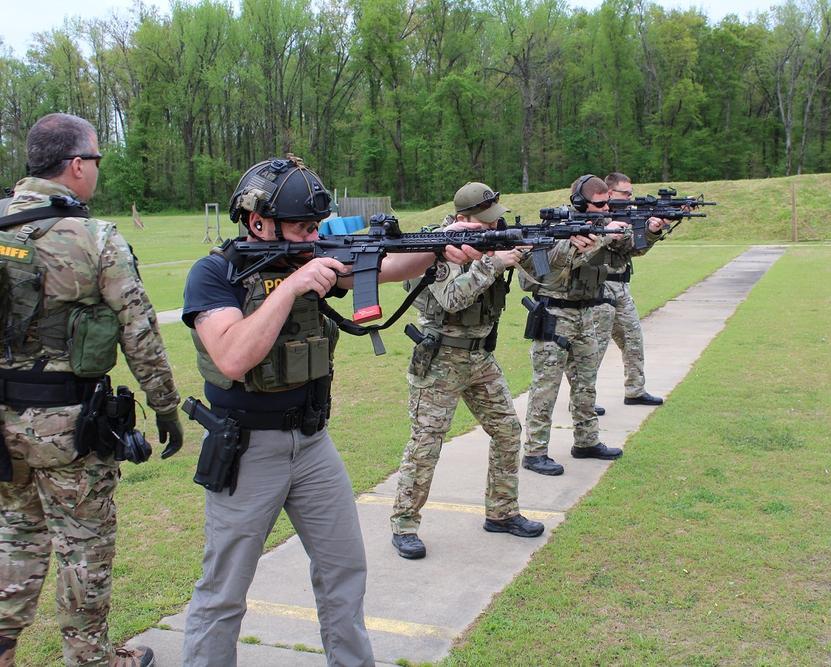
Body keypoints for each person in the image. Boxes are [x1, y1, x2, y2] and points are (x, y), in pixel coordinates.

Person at [180, 156, 482, 666]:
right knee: (224, 591)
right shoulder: (215, 273)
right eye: (302, 227)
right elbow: (232, 356)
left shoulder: (312, 258)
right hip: (247, 448)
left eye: (317, 226)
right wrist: (295, 287)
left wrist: (436, 244)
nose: (313, 237)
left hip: (313, 444)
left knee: (344, 571)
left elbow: (387, 266)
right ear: (258, 223)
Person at [0, 113, 183, 667]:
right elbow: (141, 334)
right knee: (84, 547)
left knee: (15, 536)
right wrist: (166, 408)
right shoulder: (94, 237)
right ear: (77, 165)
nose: (97, 171)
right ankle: (93, 658)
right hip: (67, 430)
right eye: (96, 159)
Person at [390, 182, 544, 560]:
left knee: (508, 431)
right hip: (440, 359)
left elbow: (540, 281)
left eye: (496, 220)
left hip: (480, 358)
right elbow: (452, 298)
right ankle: (404, 524)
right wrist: (493, 263)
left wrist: (525, 255)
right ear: (462, 219)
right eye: (486, 222)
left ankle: (502, 512)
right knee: (426, 444)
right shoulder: (435, 247)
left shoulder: (495, 240)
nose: (495, 227)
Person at [520, 175, 666, 476]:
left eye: (607, 203)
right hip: (554, 316)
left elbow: (628, 249)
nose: (605, 209)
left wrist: (649, 232)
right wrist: (602, 235)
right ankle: (535, 451)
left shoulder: (600, 224)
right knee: (546, 387)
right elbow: (551, 265)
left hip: (587, 312)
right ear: (578, 202)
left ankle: (586, 441)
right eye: (599, 204)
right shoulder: (557, 228)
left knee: (586, 383)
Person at [592, 172, 664, 408]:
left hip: (621, 285)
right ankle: (583, 400)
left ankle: (635, 390)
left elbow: (635, 249)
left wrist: (651, 231)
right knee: (593, 348)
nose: (631, 197)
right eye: (626, 193)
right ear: (610, 193)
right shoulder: (591, 217)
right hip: (599, 289)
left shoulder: (624, 216)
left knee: (633, 340)